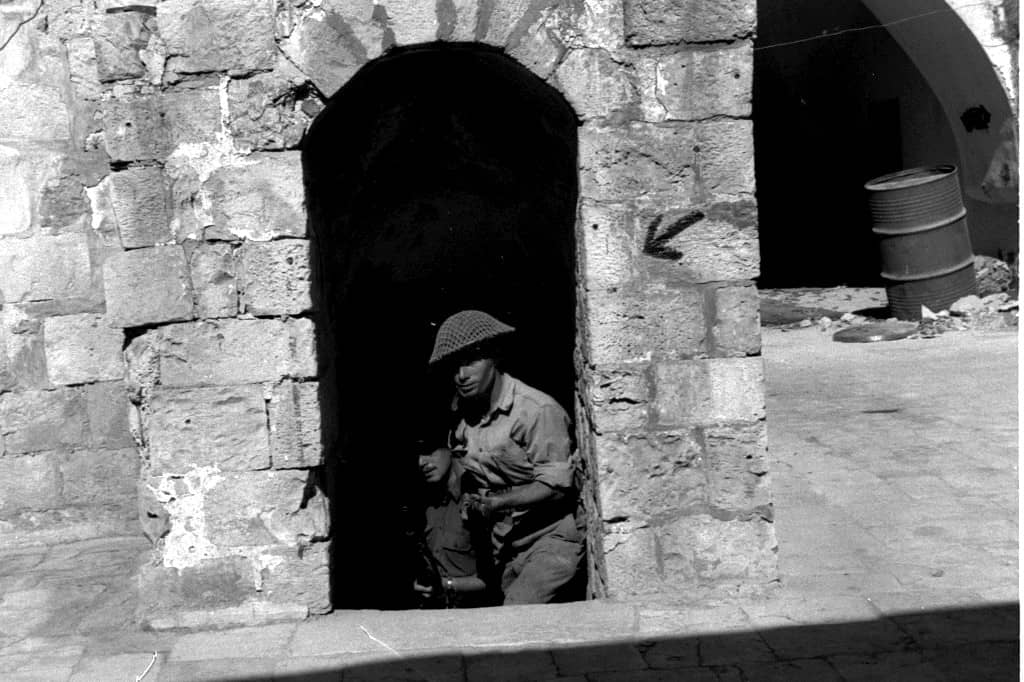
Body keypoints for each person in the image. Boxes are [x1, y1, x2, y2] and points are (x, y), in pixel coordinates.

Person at [428, 309, 585, 605]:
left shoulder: (535, 410)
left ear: (495, 357)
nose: (461, 376)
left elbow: (557, 485)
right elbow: (467, 467)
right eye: (455, 367)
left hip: (550, 540)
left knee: (517, 611)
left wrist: (497, 502)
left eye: (471, 362)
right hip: (504, 548)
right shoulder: (463, 417)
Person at [412, 445, 493, 608]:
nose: (421, 462)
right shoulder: (423, 504)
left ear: (451, 449)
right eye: (417, 455)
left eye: (428, 451)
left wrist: (445, 585)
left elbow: (494, 579)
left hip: (475, 613)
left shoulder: (477, 499)